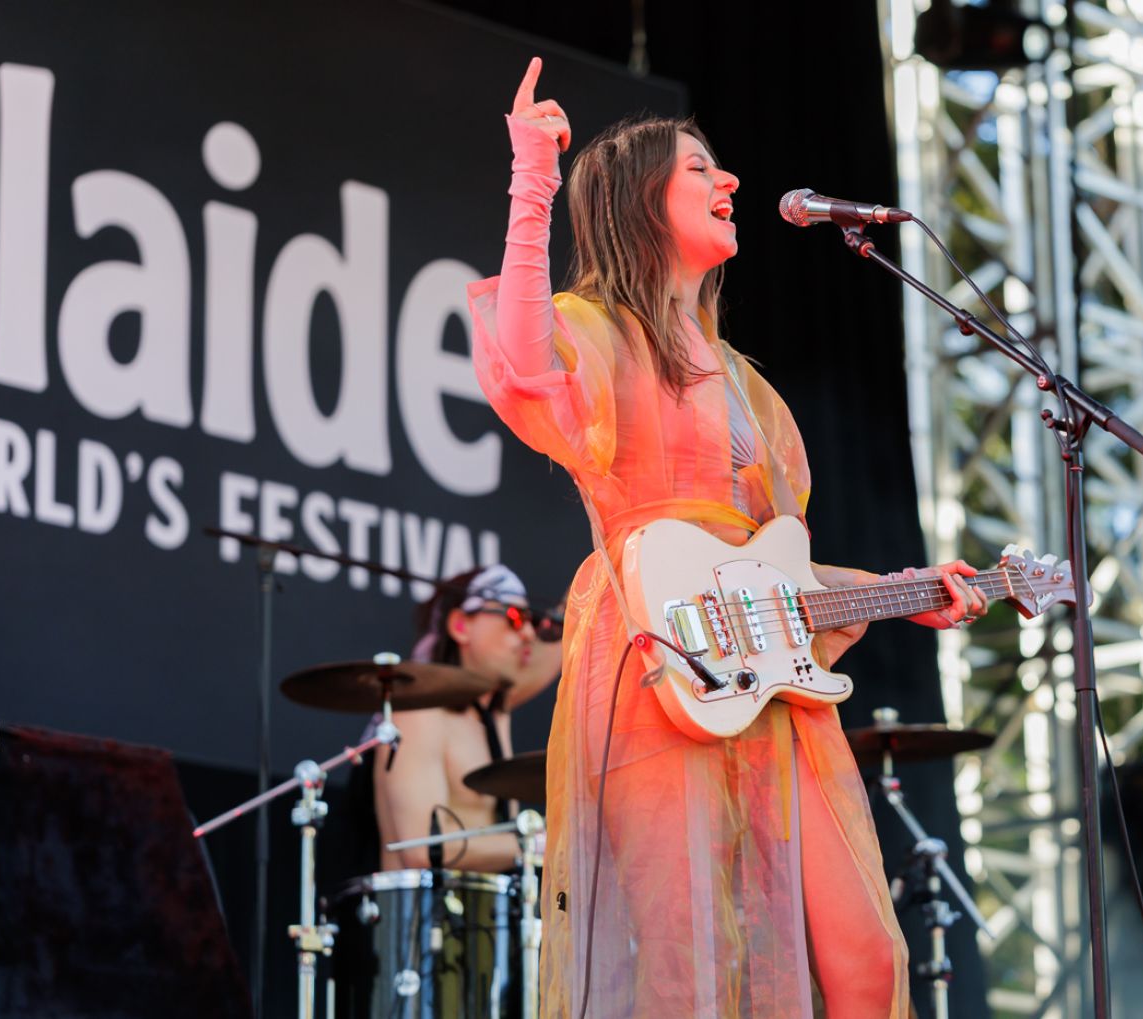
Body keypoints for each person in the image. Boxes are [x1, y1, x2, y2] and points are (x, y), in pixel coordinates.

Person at [467, 57, 990, 1018]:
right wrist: (533, 181)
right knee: (690, 963)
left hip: (776, 686)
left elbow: (772, 564)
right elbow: (524, 365)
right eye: (700, 169)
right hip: (658, 663)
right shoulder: (596, 330)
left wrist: (912, 588)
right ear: (636, 199)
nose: (731, 183)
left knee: (866, 960)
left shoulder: (752, 387)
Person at [374, 563, 563, 873]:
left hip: (487, 914)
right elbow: (422, 848)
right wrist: (537, 844)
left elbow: (554, 655)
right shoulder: (418, 714)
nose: (529, 634)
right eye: (514, 618)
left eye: (531, 620)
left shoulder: (493, 714)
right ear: (461, 626)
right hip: (425, 917)